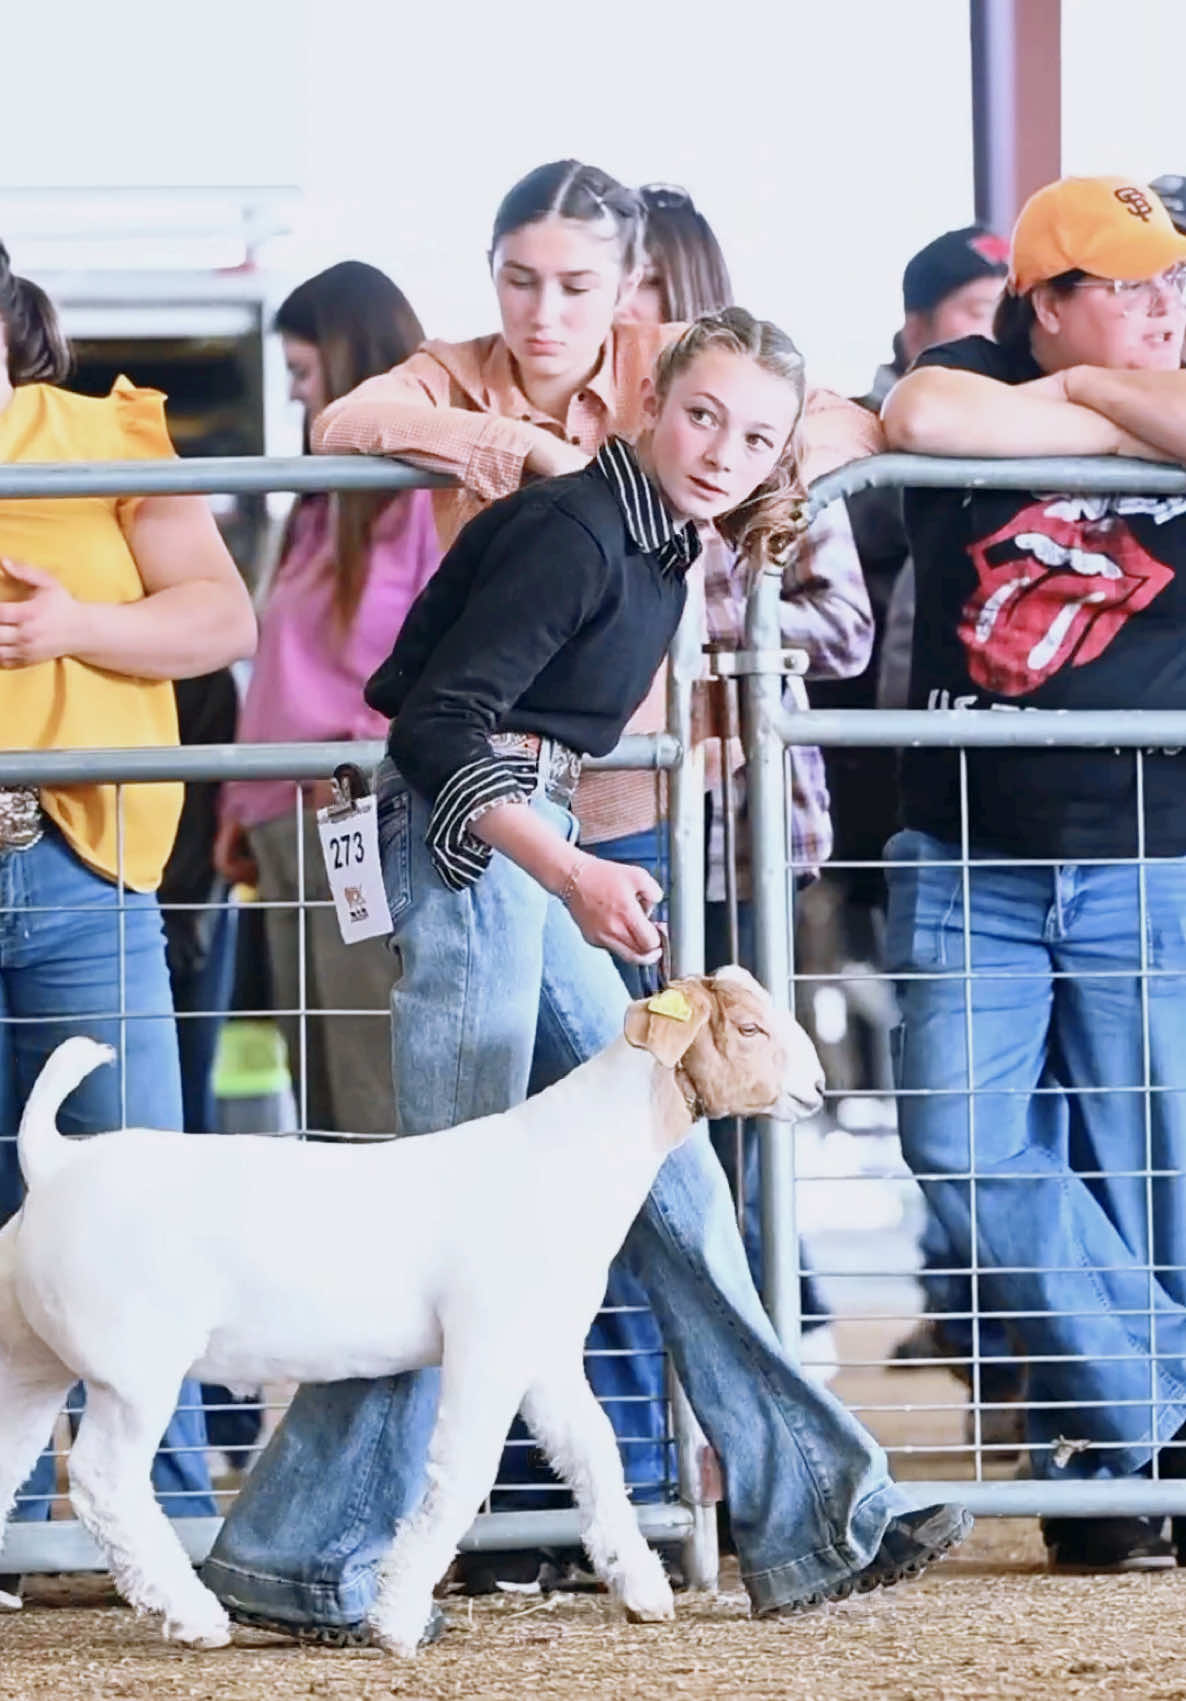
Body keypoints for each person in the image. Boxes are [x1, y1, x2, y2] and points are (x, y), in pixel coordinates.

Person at [203, 285, 968, 1646]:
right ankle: (300, 1546)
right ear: (644, 405)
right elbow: (433, 723)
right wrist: (563, 866)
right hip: (482, 849)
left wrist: (559, 860)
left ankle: (809, 1507)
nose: (722, 450)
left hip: (532, 848)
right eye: (700, 415)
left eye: (753, 435)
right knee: (442, 1222)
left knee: (673, 1174)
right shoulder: (576, 531)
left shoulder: (664, 538)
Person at [880, 174, 1186, 1573]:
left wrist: (1087, 403)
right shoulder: (965, 369)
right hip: (967, 838)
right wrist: (1125, 418)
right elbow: (923, 421)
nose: (1159, 309)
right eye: (1120, 289)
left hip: (1147, 840)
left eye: (1166, 284)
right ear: (1042, 303)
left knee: (1153, 1169)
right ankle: (1157, 1412)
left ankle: (1119, 1464)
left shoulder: (1076, 383)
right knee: (956, 1141)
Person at [0, 242, 256, 1578]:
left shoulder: (101, 433)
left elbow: (219, 616)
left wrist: (73, 627)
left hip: (71, 858)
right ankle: (18, 1523)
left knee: (131, 1192)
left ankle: (154, 1508)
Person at [619, 182, 872, 1376]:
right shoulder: (622, 464)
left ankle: (786, 1339)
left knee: (752, 1090)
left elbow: (848, 630)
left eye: (640, 288)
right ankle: (716, 1367)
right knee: (655, 1098)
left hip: (752, 827)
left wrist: (718, 646)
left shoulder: (782, 465)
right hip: (637, 831)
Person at [215, 263, 438, 1137]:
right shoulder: (314, 513)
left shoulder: (419, 499)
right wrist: (241, 798)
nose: (301, 403)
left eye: (307, 378)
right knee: (311, 1071)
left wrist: (351, 757)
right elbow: (277, 669)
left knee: (365, 1061)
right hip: (282, 816)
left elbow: (432, 652)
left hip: (352, 811)